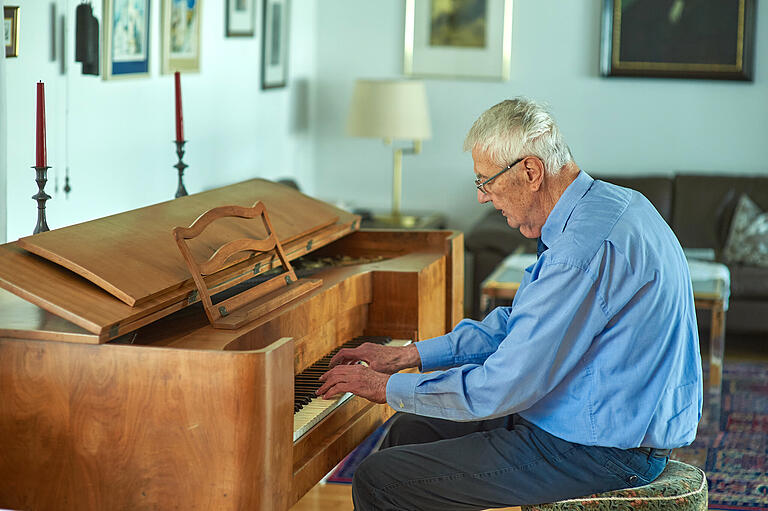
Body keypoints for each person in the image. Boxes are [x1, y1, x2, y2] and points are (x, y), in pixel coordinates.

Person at [316, 97, 703, 510]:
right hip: (601, 413)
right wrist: (409, 356)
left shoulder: (579, 251)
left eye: (485, 181)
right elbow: (519, 323)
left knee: (381, 480)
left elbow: (501, 387)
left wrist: (384, 387)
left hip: (605, 447)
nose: (483, 197)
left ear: (530, 171)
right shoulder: (608, 205)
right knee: (408, 432)